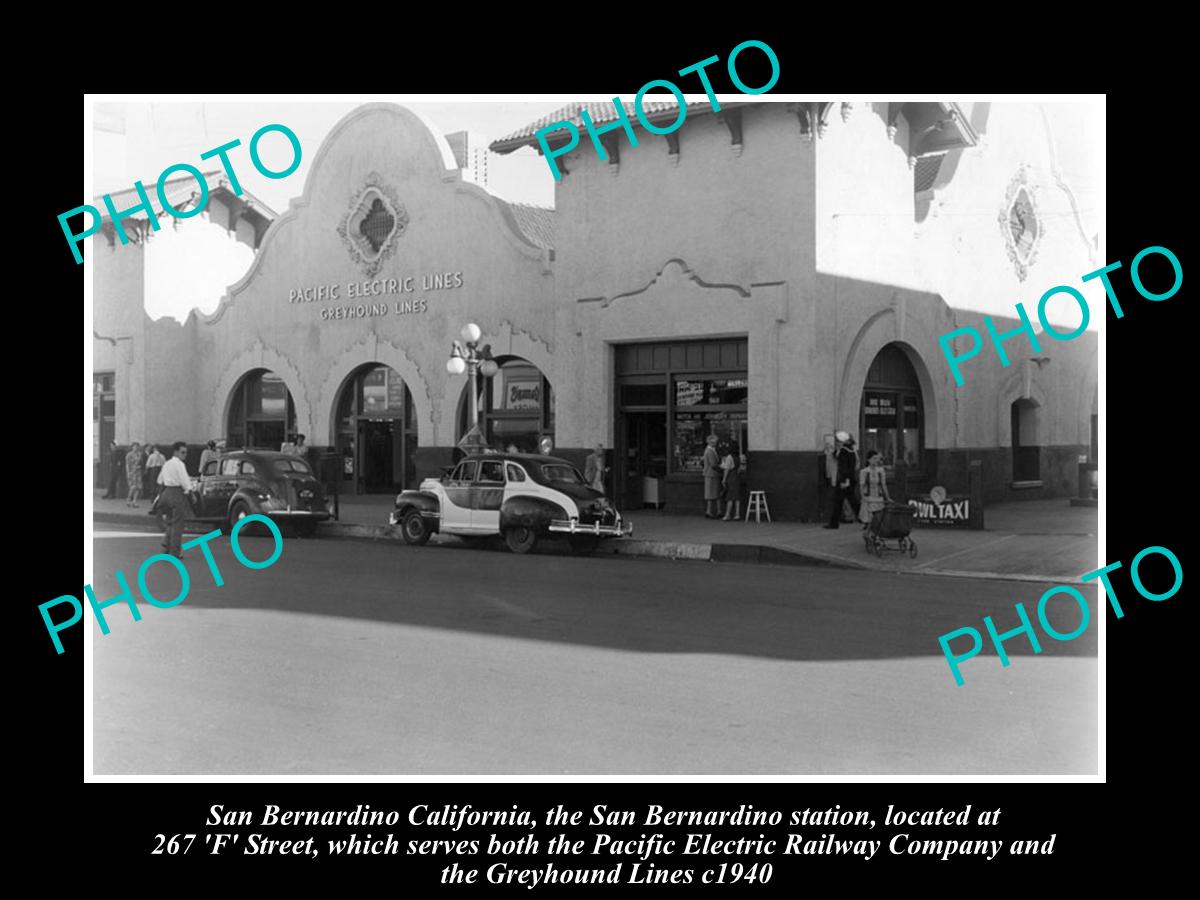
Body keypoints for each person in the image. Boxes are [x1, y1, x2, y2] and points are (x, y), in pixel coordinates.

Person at [157, 441, 192, 559]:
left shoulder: (166, 464)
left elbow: (159, 480)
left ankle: (165, 546)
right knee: (178, 524)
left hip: (166, 493)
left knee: (170, 522)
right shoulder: (180, 464)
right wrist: (189, 491)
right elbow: (185, 481)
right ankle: (175, 552)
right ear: (176, 452)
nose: (185, 455)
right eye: (183, 452)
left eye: (186, 452)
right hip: (176, 493)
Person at [824, 430, 859, 529]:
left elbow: (844, 467)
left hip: (844, 480)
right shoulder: (851, 450)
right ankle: (864, 520)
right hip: (850, 479)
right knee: (851, 501)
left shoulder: (844, 451)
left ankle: (834, 523)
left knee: (840, 502)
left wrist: (845, 480)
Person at [859, 449, 891, 528]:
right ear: (868, 460)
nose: (876, 461)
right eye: (874, 458)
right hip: (869, 498)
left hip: (878, 497)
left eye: (877, 458)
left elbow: (884, 485)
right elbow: (862, 486)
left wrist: (887, 498)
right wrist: (863, 498)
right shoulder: (864, 471)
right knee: (869, 518)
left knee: (878, 518)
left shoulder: (881, 471)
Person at [702, 434, 722, 518]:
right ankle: (714, 511)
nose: (715, 443)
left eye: (715, 441)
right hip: (712, 474)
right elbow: (713, 464)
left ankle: (711, 511)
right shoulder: (710, 451)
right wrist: (720, 467)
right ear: (709, 442)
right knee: (714, 493)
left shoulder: (709, 450)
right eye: (713, 441)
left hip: (710, 474)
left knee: (711, 493)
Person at [721, 448, 744, 521]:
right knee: (737, 496)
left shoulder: (729, 457)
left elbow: (727, 469)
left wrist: (724, 479)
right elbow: (740, 468)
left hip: (731, 476)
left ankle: (728, 514)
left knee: (730, 496)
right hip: (737, 476)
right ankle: (737, 514)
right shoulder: (739, 457)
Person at [125, 442, 144, 507]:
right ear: (132, 447)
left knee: (138, 487)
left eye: (137, 447)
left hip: (138, 472)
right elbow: (127, 464)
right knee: (133, 487)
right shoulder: (129, 455)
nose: (136, 448)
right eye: (134, 446)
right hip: (132, 472)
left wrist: (140, 466)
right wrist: (128, 473)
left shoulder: (139, 454)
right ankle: (128, 499)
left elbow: (141, 463)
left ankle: (134, 501)